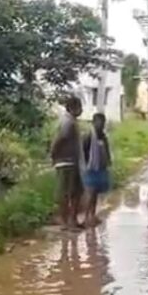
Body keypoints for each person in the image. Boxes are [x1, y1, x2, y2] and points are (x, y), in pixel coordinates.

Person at [51, 96, 84, 230]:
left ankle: (70, 221)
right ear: (72, 108)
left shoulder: (70, 121)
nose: (81, 110)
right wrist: (54, 154)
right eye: (79, 107)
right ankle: (68, 222)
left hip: (70, 161)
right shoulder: (68, 122)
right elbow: (60, 139)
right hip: (67, 162)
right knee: (70, 193)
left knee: (73, 192)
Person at [82, 112, 112, 226]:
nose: (101, 125)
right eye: (99, 122)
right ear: (93, 122)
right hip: (90, 168)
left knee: (95, 194)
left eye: (103, 123)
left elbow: (106, 150)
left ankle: (92, 215)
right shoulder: (88, 136)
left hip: (100, 167)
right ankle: (86, 217)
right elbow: (83, 151)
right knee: (90, 193)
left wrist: (108, 161)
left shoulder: (103, 136)